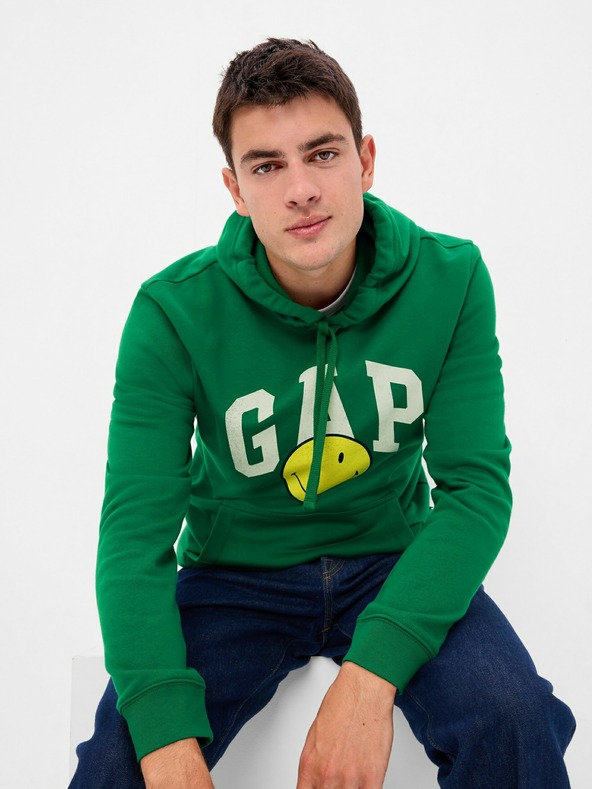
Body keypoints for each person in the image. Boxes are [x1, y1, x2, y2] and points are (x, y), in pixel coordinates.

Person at [69, 38, 575, 788]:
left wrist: (371, 676)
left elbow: (476, 492)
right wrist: (165, 738)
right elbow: (133, 536)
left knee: (514, 715)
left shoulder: (452, 278)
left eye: (323, 154)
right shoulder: (172, 313)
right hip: (234, 578)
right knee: (120, 761)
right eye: (266, 166)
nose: (300, 189)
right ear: (235, 189)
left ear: (365, 161)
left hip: (393, 562)